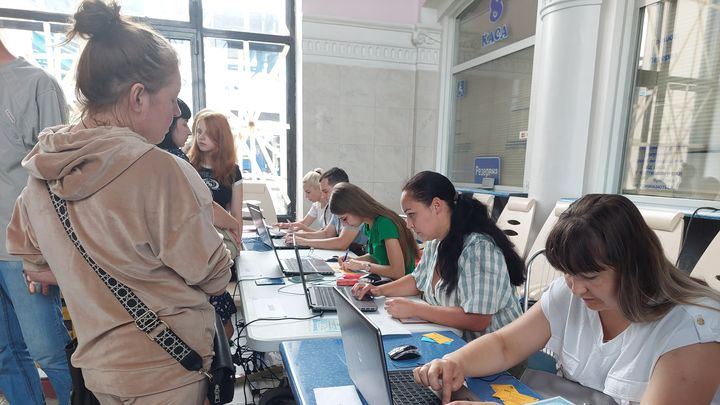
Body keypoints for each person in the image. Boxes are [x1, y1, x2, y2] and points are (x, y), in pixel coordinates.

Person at [6, 1, 233, 403]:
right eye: (173, 99)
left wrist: (90, 276)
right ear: (138, 97)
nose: (176, 112)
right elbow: (213, 276)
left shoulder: (40, 175)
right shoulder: (160, 171)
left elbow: (35, 267)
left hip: (98, 371)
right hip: (169, 371)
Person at [413, 194, 720, 405]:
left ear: (635, 263)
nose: (576, 288)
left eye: (590, 275)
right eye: (568, 274)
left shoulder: (691, 331)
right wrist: (455, 363)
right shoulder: (575, 292)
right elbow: (504, 345)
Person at [353, 171, 524, 341]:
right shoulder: (437, 241)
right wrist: (378, 290)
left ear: (436, 205)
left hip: (500, 354)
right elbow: (417, 280)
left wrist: (415, 309)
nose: (408, 224)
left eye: (412, 214)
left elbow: (478, 319)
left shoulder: (479, 249)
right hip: (459, 343)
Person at [0, 37, 72, 405]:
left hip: (24, 252)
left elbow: (59, 180)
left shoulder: (37, 85)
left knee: (50, 352)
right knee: (4, 355)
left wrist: (46, 254)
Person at [157, 100, 238, 339]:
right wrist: (233, 224)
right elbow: (205, 207)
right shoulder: (177, 159)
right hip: (192, 254)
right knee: (223, 325)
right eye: (185, 125)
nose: (189, 132)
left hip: (179, 256)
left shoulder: (160, 157)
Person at [329, 182, 419, 280]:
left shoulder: (384, 223)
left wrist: (364, 265)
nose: (344, 224)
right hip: (387, 282)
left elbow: (398, 272)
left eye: (344, 218)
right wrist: (353, 260)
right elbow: (378, 256)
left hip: (403, 289)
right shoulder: (369, 224)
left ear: (355, 208)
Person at [187, 110, 244, 236]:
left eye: (208, 133)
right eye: (199, 131)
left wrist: (237, 242)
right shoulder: (187, 165)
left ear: (221, 136)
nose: (201, 137)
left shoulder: (233, 171)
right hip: (191, 236)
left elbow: (236, 215)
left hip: (220, 238)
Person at [287, 167, 368, 254]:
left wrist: (304, 241)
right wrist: (296, 236)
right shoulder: (337, 208)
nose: (323, 196)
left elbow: (342, 243)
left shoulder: (353, 208)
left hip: (357, 256)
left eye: (325, 191)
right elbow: (326, 234)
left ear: (340, 187)